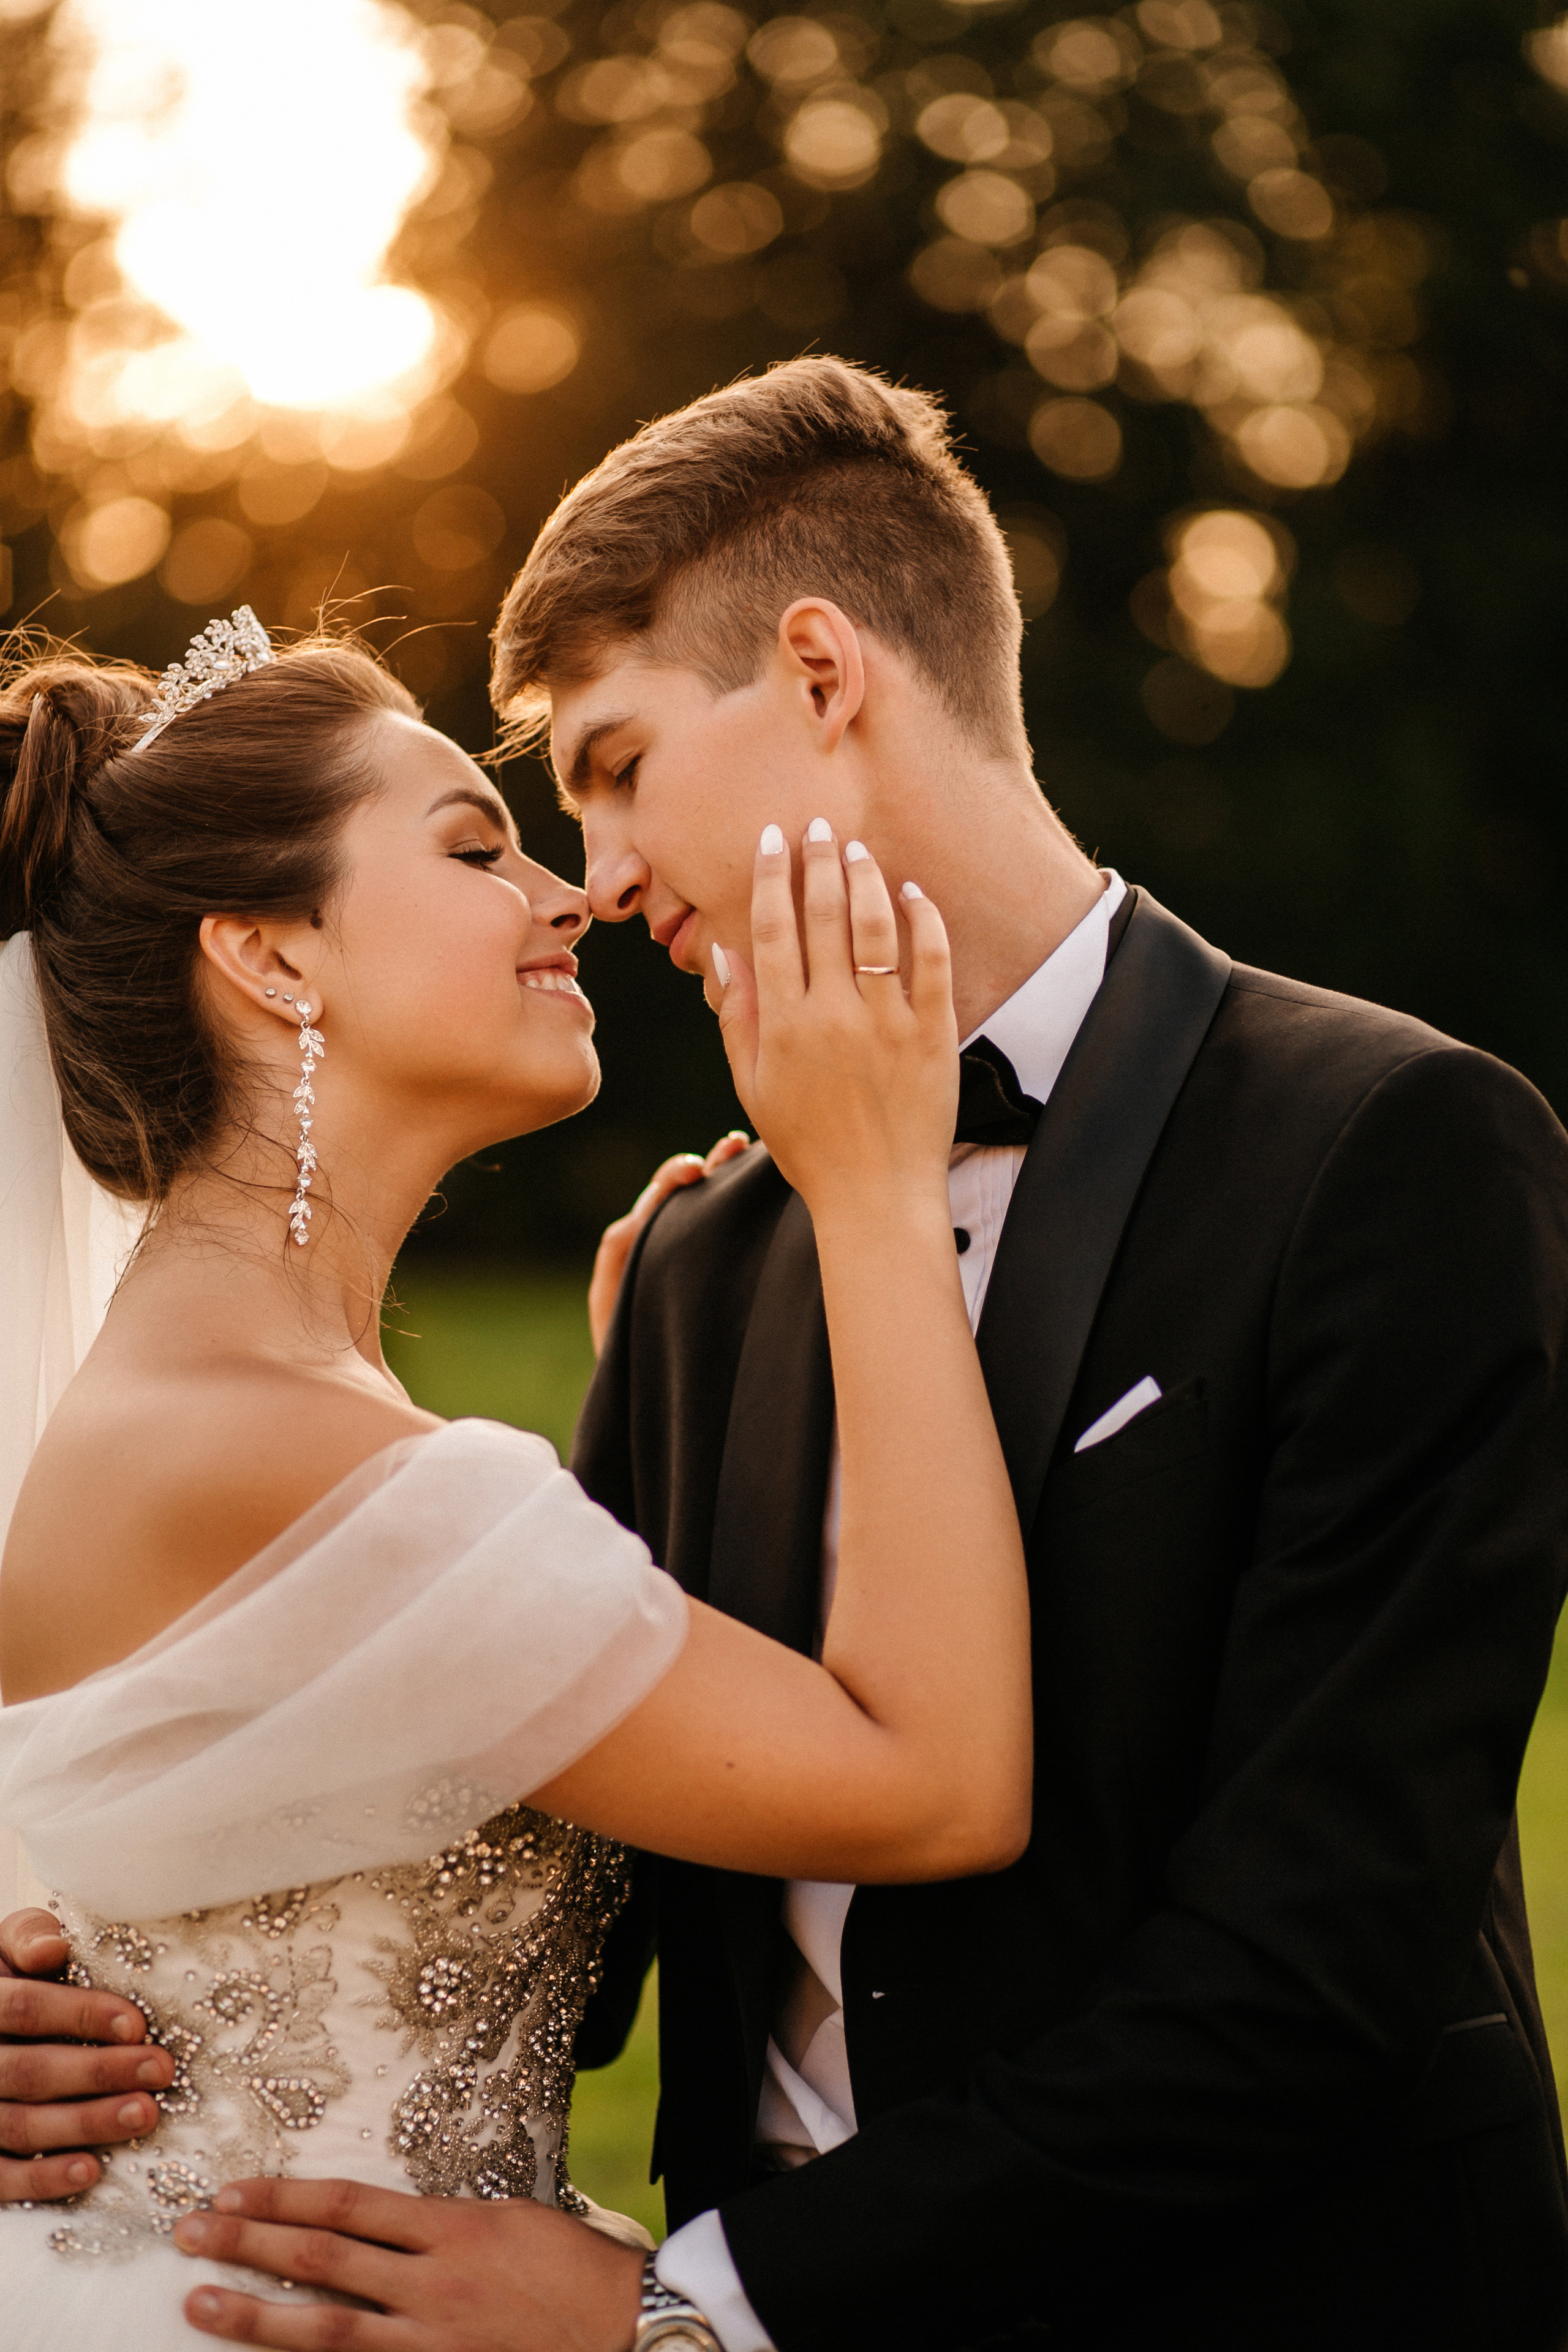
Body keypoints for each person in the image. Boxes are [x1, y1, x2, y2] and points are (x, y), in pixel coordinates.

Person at [7, 357, 1568, 2352]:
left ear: (823, 674)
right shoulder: (703, 1262)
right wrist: (95, 1988)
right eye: (523, 827)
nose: (597, 879)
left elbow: (1319, 1958)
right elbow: (534, 1871)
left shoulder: (1385, 1149)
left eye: (617, 767)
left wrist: (698, 2308)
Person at [0, 614, 1035, 2348]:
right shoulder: (287, 1450)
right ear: (271, 957)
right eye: (478, 850)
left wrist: (639, 1449)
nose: (570, 899)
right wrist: (872, 1188)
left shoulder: (234, 1413)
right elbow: (936, 1790)